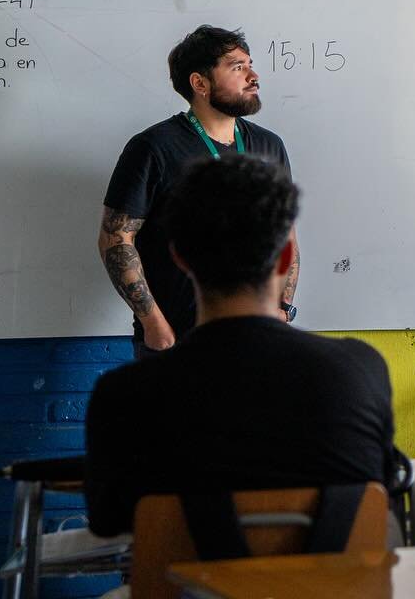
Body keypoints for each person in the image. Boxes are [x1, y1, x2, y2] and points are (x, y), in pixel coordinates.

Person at [84, 155, 396, 536]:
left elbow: (109, 524)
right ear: (285, 257)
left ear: (179, 257)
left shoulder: (124, 395)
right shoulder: (361, 371)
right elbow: (381, 507)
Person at [98, 25, 297, 356]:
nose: (253, 75)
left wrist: (283, 307)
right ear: (200, 83)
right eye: (238, 67)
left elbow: (286, 235)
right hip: (178, 341)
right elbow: (115, 239)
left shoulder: (269, 146)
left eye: (250, 63)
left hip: (256, 338)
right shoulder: (153, 148)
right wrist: (154, 324)